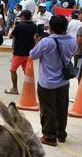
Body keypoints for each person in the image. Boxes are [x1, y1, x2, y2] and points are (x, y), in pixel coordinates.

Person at [29, 15, 77, 146]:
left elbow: (33, 55)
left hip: (47, 83)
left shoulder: (46, 42)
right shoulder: (72, 40)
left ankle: (49, 137)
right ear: (65, 27)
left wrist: (37, 42)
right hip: (64, 82)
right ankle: (61, 134)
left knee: (48, 110)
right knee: (62, 109)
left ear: (50, 27)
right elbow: (72, 52)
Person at [7, 10, 37, 95]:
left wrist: (14, 25)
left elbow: (10, 36)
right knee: (27, 72)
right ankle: (30, 89)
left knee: (13, 70)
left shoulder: (19, 26)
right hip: (29, 53)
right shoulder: (34, 26)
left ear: (23, 17)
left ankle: (14, 88)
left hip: (18, 53)